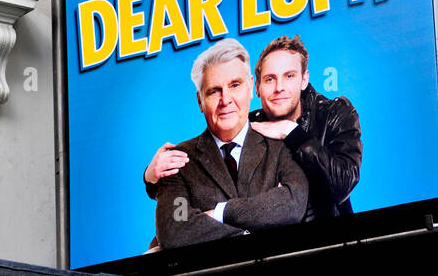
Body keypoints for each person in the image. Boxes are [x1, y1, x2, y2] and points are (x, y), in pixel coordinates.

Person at [146, 33, 361, 221]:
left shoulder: (334, 113)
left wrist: (293, 133)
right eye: (269, 79)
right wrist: (151, 178)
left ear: (304, 80)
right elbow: (206, 171)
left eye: (289, 76)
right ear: (256, 88)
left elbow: (341, 185)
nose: (279, 88)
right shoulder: (250, 123)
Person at [153, 39, 308, 249]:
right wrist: (245, 234)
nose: (226, 100)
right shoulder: (178, 160)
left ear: (251, 88)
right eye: (214, 91)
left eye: (235, 85)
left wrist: (219, 213)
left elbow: (291, 203)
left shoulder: (281, 144)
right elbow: (176, 226)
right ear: (200, 100)